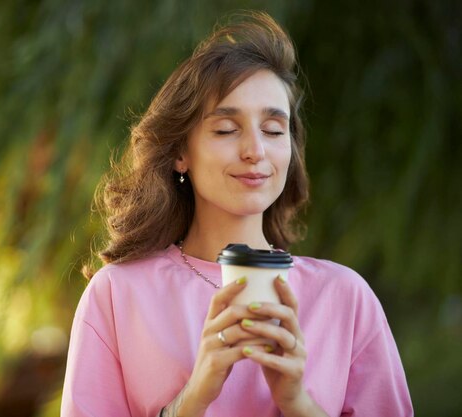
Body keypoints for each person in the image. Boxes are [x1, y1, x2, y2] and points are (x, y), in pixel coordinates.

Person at [61, 11, 413, 417]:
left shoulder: (345, 298)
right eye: (227, 129)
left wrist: (296, 402)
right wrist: (193, 397)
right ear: (180, 153)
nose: (255, 150)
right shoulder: (117, 296)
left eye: (274, 130)